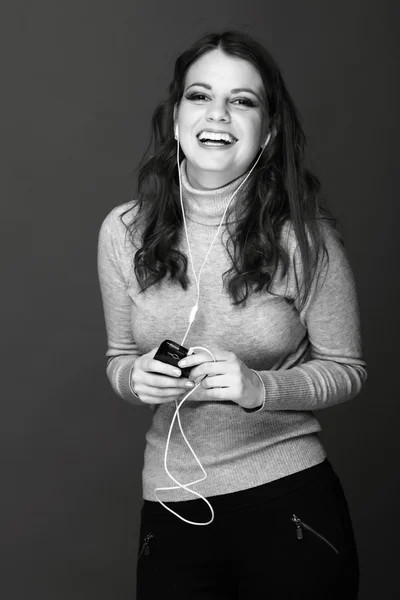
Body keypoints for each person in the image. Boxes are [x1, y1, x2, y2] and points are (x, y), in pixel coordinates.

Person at [97, 29, 367, 599]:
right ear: (175, 119)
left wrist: (257, 386)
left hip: (289, 498)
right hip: (171, 500)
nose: (217, 113)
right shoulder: (123, 230)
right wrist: (133, 376)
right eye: (200, 96)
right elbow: (120, 358)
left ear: (266, 132)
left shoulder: (305, 239)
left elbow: (347, 368)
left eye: (241, 100)